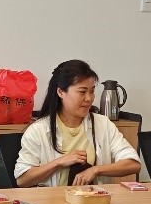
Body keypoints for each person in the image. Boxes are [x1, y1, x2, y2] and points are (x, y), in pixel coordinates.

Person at [15, 59, 140, 187]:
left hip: (95, 198)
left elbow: (133, 164)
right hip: (53, 199)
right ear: (60, 92)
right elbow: (22, 180)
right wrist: (59, 162)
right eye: (82, 92)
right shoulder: (38, 130)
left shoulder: (103, 124)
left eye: (92, 91)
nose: (89, 98)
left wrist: (96, 170)